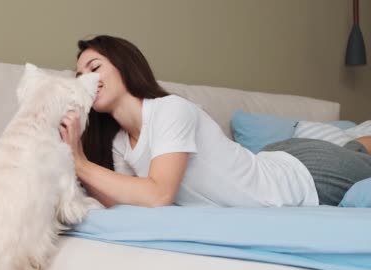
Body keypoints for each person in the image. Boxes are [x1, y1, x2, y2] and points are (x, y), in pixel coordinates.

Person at [59, 35, 371, 208]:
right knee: (353, 146)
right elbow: (124, 203)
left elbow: (157, 194)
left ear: (124, 64)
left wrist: (80, 162)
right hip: (273, 156)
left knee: (359, 151)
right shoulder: (119, 143)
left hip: (304, 175)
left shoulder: (170, 110)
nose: (86, 79)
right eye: (80, 76)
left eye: (94, 67)